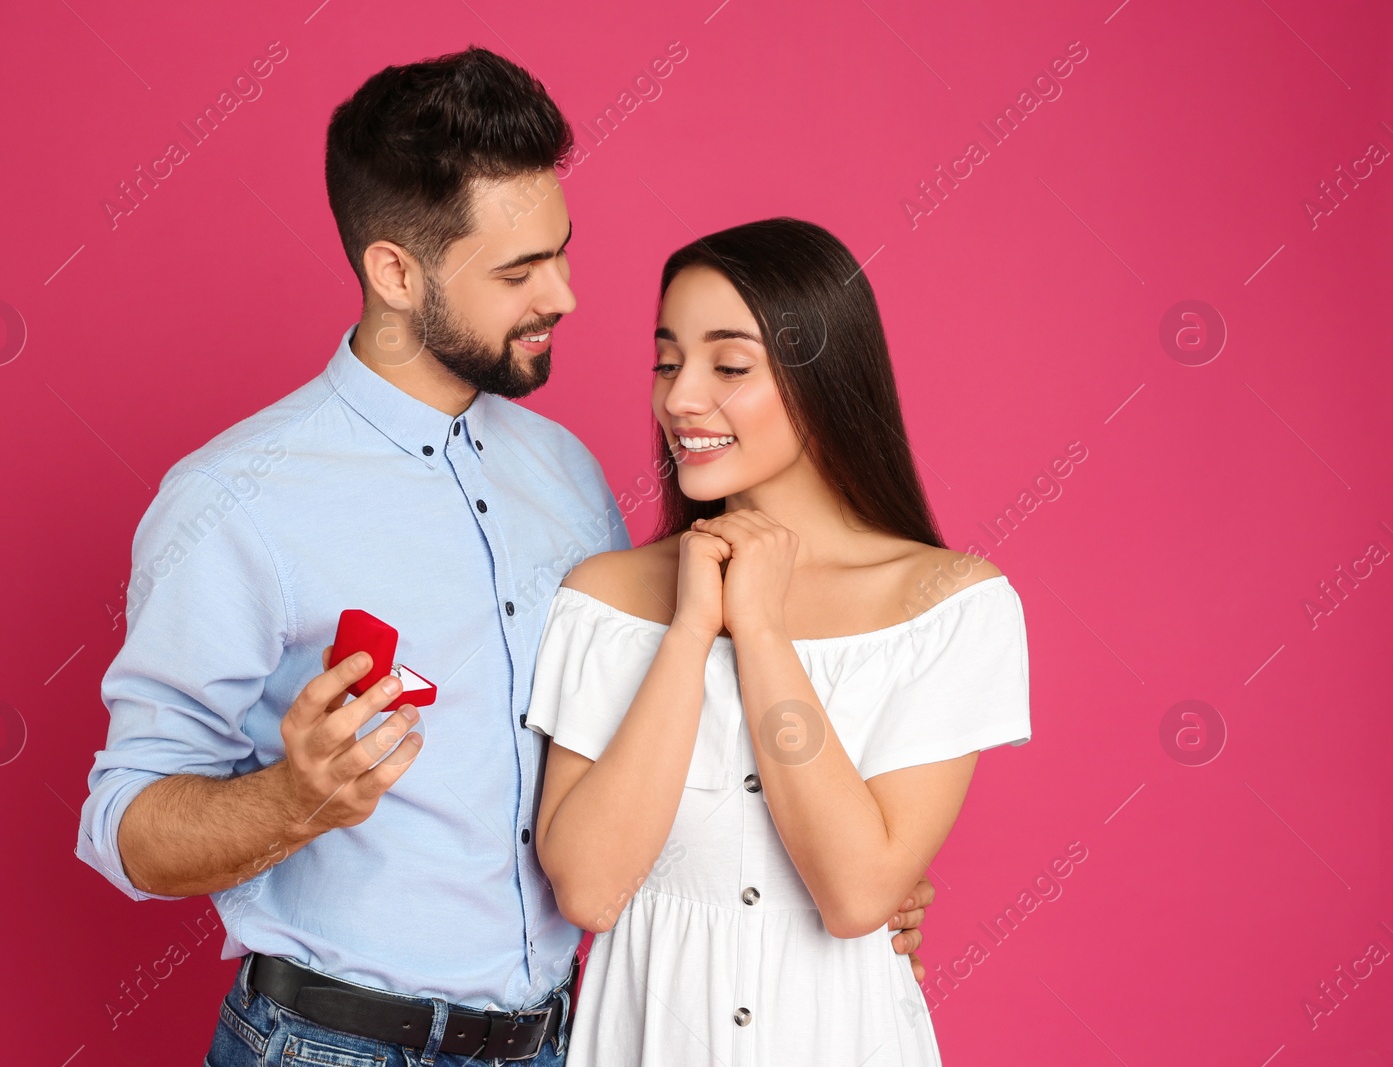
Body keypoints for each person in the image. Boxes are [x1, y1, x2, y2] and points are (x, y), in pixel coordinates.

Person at [74, 48, 932, 1067]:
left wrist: (831, 883)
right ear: (396, 271)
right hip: (329, 1043)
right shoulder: (235, 502)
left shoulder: (566, 476)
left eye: (561, 252)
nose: (566, 294)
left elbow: (643, 746)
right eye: (519, 271)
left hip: (561, 1039)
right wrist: (290, 799)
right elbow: (124, 820)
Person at [525, 217, 1032, 1065]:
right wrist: (692, 627)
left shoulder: (950, 605)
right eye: (666, 361)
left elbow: (857, 891)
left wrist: (758, 628)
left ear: (823, 376)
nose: (681, 397)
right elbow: (587, 885)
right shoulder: (604, 597)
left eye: (728, 366)